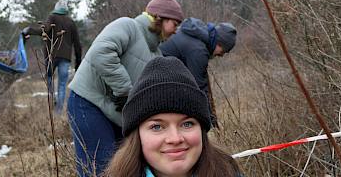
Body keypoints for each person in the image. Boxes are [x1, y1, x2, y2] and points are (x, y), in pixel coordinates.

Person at [67, 0, 185, 177]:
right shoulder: (127, 26)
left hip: (116, 114)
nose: (176, 30)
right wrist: (125, 91)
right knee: (99, 168)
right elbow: (101, 53)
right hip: (88, 103)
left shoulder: (156, 53)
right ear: (160, 18)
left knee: (125, 167)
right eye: (175, 24)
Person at [103, 56, 242, 177]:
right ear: (137, 135)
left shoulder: (228, 172)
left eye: (187, 124)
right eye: (157, 127)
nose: (175, 139)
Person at [159, 19, 237, 127]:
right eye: (223, 51)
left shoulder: (196, 37)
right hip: (159, 80)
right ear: (219, 43)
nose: (222, 55)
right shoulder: (198, 51)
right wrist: (210, 122)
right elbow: (198, 88)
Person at [24, 0, 83, 113]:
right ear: (66, 9)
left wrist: (29, 30)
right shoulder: (70, 22)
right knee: (62, 85)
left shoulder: (52, 17)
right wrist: (78, 62)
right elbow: (77, 44)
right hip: (65, 58)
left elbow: (44, 31)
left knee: (49, 80)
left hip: (51, 56)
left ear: (56, 8)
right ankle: (58, 112)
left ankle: (52, 102)